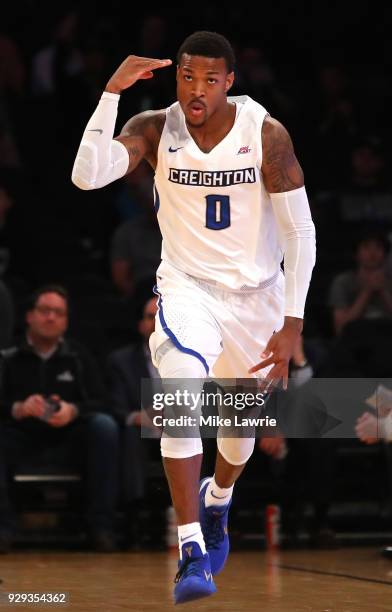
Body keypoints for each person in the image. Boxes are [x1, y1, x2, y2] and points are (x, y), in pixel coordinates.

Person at [72, 31, 316, 603]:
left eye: (210, 79)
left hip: (257, 296)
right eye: (187, 77)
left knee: (238, 438)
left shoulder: (266, 135)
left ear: (230, 82)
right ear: (175, 77)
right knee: (179, 393)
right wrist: (110, 93)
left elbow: (299, 232)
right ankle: (189, 551)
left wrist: (293, 322)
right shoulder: (156, 128)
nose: (196, 90)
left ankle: (219, 498)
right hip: (187, 287)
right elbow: (87, 175)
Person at [0, 285, 119, 553]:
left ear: (65, 321)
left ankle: (101, 527)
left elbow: (103, 401)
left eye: (58, 313)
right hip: (20, 435)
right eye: (44, 311)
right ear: (29, 316)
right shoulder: (8, 356)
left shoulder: (78, 356)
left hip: (68, 436)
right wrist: (18, 407)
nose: (50, 317)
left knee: (104, 427)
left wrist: (72, 410)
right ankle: (3, 528)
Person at [106, 295, 162, 547]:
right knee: (130, 432)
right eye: (150, 317)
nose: (155, 323)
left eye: (163, 317)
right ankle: (135, 516)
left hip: (184, 430)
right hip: (142, 433)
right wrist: (139, 416)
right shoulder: (121, 361)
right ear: (141, 323)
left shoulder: (193, 359)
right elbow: (114, 406)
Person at [329, 231, 392, 335]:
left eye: (378, 247)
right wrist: (367, 291)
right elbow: (340, 327)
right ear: (356, 253)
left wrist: (383, 291)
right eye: (366, 247)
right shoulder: (343, 282)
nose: (373, 253)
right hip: (354, 342)